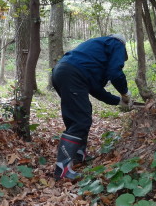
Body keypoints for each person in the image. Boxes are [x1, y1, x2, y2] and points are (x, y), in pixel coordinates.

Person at [50, 34, 133, 180]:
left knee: (80, 114)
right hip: (72, 74)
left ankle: (78, 155)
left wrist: (118, 101)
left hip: (62, 72)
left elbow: (96, 90)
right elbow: (116, 73)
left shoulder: (95, 55)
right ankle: (62, 169)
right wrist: (125, 92)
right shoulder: (116, 43)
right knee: (80, 120)